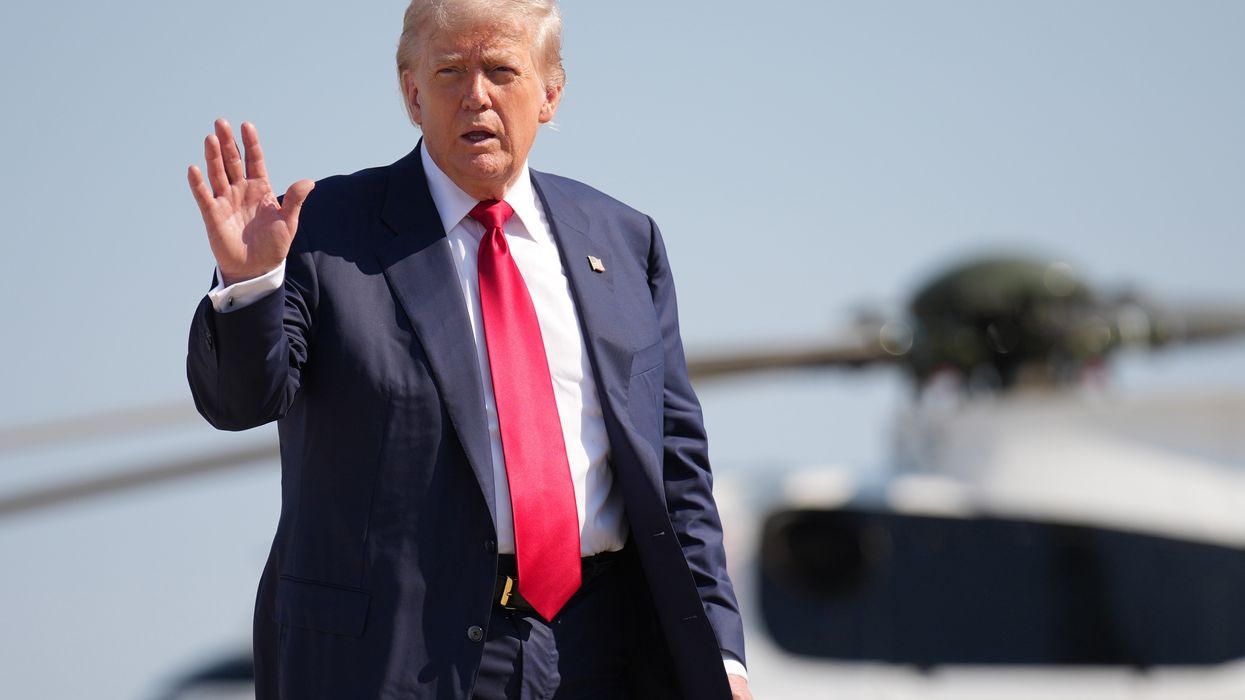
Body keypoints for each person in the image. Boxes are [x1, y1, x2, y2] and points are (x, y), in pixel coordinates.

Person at [185, 1, 750, 698]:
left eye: (501, 71)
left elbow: (675, 472)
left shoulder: (625, 241)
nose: (475, 94)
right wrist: (249, 284)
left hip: (601, 650)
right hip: (397, 657)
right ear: (412, 92)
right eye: (450, 71)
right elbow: (239, 401)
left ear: (550, 94)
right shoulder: (323, 230)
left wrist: (721, 655)